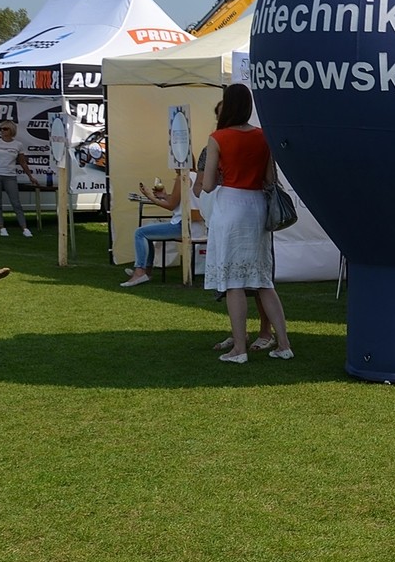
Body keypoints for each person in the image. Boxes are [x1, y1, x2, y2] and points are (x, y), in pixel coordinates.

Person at [197, 83, 293, 364]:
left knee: (233, 282)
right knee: (263, 280)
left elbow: (207, 184)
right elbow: (270, 179)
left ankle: (239, 348)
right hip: (257, 206)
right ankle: (283, 343)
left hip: (230, 205)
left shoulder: (218, 138)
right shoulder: (263, 136)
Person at [121, 175, 207, 288]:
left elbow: (171, 206)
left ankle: (140, 272)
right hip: (198, 226)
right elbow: (178, 201)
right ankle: (145, 271)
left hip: (183, 226)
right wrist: (165, 196)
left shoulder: (182, 177)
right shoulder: (197, 176)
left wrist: (150, 196)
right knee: (147, 231)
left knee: (140, 233)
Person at [0, 120, 37, 238]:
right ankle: (1, 227)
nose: (2, 131)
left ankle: (24, 228)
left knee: (16, 202)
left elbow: (22, 162)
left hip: (10, 176)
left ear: (11, 130)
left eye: (5, 129)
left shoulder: (18, 145)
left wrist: (30, 177)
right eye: (1, 129)